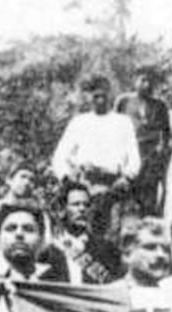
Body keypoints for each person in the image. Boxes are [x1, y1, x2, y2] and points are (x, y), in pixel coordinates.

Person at [51, 75, 140, 234]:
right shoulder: (79, 122)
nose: (100, 100)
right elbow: (60, 156)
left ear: (110, 95)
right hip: (85, 184)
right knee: (82, 229)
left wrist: (127, 177)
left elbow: (134, 157)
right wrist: (67, 179)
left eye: (103, 95)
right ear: (89, 97)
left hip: (113, 185)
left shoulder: (123, 122)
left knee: (112, 231)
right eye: (95, 96)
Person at [114, 67, 172, 215]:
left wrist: (161, 151)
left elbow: (166, 132)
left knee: (148, 197)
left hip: (150, 157)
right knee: (126, 196)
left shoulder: (160, 105)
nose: (147, 85)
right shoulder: (124, 101)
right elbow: (114, 126)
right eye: (143, 80)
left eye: (150, 81)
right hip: (129, 154)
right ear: (135, 81)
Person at [0, 162, 44, 265]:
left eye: (32, 180)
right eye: (23, 177)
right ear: (9, 180)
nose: (27, 182)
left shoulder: (38, 215)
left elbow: (43, 248)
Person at [52, 182, 122, 284]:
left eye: (86, 205)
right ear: (62, 210)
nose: (82, 209)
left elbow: (114, 285)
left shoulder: (106, 249)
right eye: (76, 204)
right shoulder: (51, 249)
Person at [117, 216, 171, 288]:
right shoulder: (110, 293)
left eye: (166, 249)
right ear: (128, 253)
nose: (161, 255)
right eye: (150, 247)